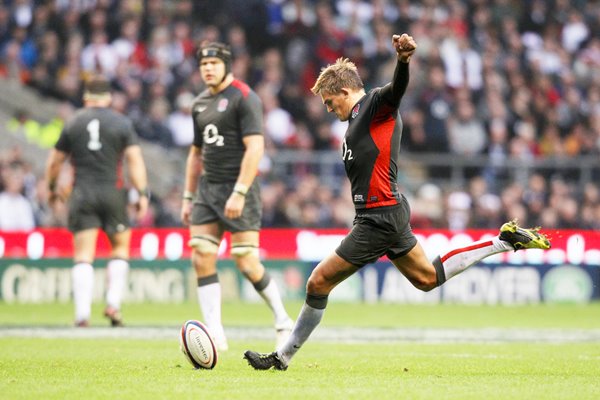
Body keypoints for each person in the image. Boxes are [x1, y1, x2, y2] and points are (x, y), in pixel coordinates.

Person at [243, 33, 551, 371]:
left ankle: (282, 357)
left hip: (377, 216)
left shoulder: (373, 105)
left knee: (318, 282)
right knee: (427, 279)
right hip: (385, 212)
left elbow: (396, 91)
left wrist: (403, 61)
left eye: (331, 103)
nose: (330, 110)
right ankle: (502, 241)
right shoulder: (357, 119)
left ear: (345, 92)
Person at [180, 42, 293, 351]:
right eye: (204, 65)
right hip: (207, 189)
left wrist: (240, 192)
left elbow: (256, 148)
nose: (208, 69)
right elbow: (195, 155)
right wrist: (188, 197)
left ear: (227, 66)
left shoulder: (244, 98)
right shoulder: (199, 104)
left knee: (246, 261)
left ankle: (283, 320)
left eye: (214, 63)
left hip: (239, 187)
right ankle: (215, 333)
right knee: (201, 255)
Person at [45, 75, 149, 327]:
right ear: (109, 98)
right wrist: (142, 193)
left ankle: (82, 315)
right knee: (120, 248)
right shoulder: (122, 122)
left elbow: (55, 161)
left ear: (86, 97)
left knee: (83, 255)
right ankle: (113, 304)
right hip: (113, 191)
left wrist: (51, 189)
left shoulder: (73, 123)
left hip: (82, 193)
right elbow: (135, 161)